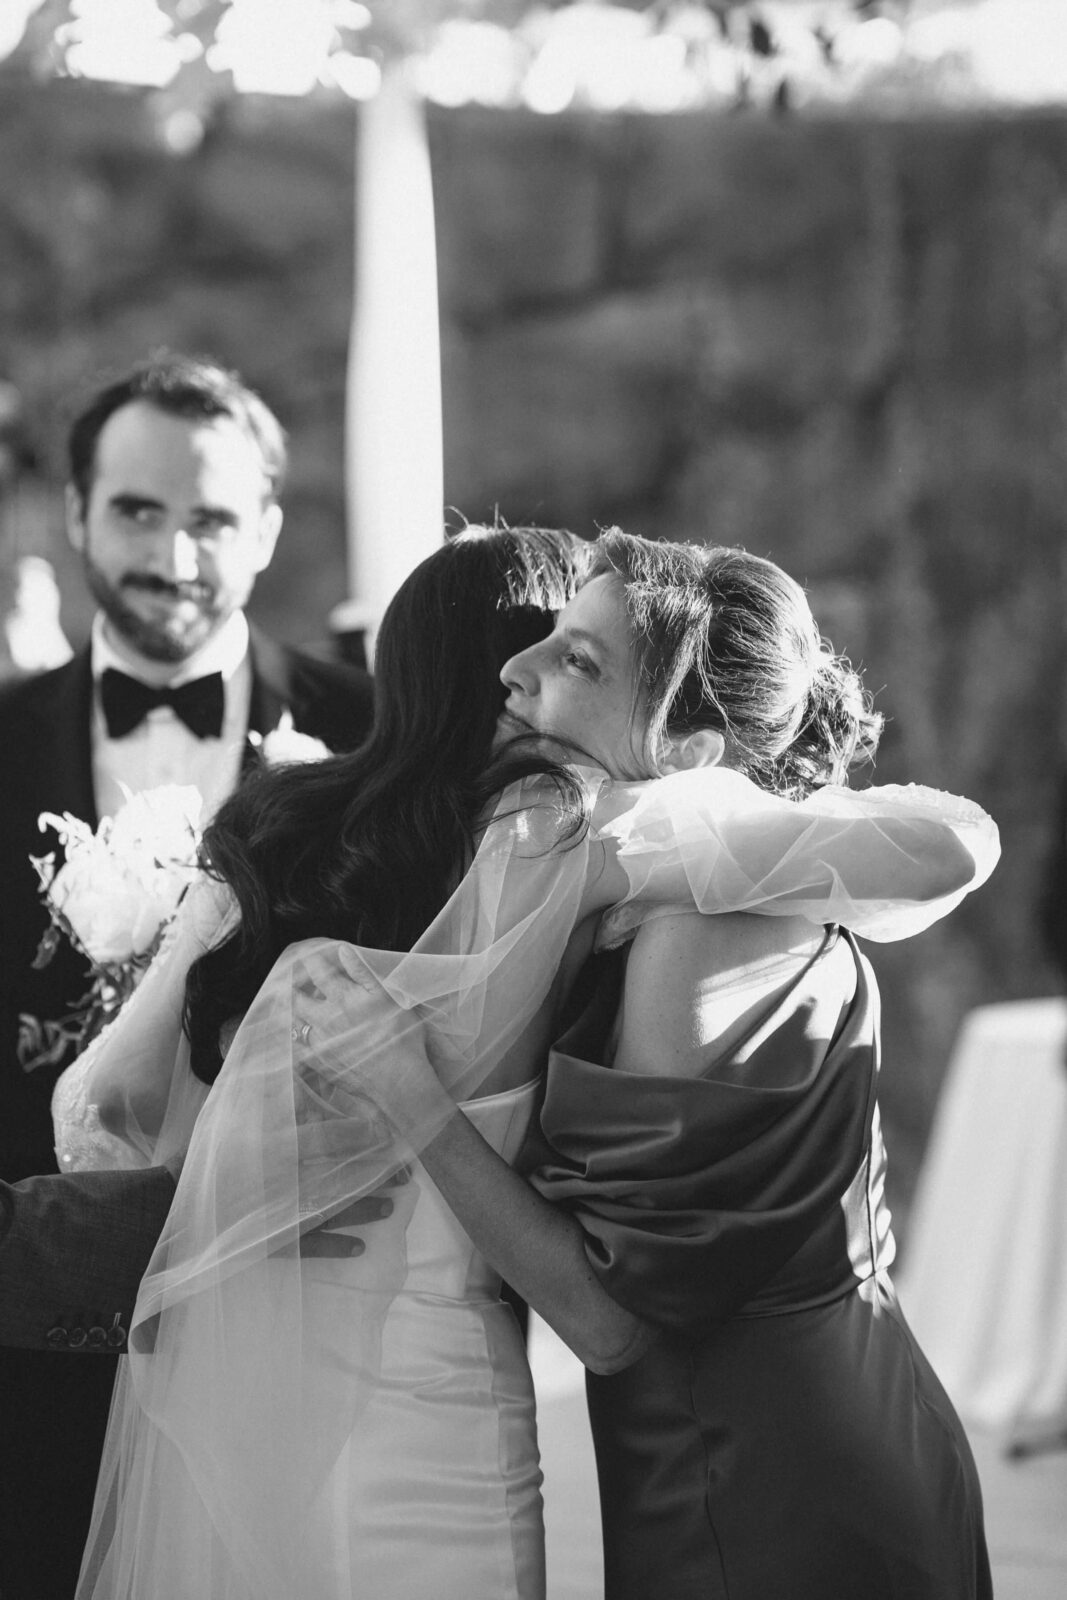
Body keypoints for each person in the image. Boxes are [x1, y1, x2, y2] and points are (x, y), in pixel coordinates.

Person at [57, 528, 997, 1599]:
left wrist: (238, 1181)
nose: (527, 673)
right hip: (463, 1401)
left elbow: (101, 1105)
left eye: (576, 659)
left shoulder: (290, 834)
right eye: (542, 644)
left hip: (268, 1404)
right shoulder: (575, 848)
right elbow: (945, 845)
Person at [0, 351, 374, 1600]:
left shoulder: (368, 737)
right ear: (75, 514)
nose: (172, 556)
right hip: (29, 1338)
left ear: (267, 529)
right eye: (138, 512)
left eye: (211, 518)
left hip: (299, 1325)